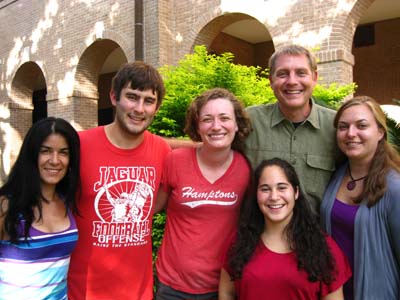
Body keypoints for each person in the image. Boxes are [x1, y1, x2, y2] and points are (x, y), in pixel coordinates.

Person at [67, 61, 170, 300]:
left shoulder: (162, 151)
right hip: (84, 291)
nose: (139, 109)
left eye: (149, 101)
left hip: (138, 292)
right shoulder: (79, 145)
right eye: (132, 97)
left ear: (157, 107)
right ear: (114, 97)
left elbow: (157, 202)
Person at [154, 88, 251, 299]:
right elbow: (152, 209)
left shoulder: (246, 168)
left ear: (236, 124)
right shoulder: (176, 161)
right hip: (172, 286)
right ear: (198, 126)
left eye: (224, 118)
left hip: (223, 286)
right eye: (207, 119)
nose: (216, 126)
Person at [219, 158, 351, 300]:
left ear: (296, 192)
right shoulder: (239, 243)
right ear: (256, 195)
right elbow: (227, 293)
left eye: (282, 187)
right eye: (265, 189)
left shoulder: (324, 249)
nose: (274, 197)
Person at [245, 44, 343, 213]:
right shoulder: (250, 121)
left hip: (316, 235)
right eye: (283, 74)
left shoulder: (336, 126)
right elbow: (210, 148)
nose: (292, 81)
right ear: (271, 81)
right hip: (259, 234)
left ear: (314, 77)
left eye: (301, 73)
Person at [320, 96, 400, 300]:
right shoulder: (336, 175)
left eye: (361, 125)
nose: (351, 134)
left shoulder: (394, 188)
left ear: (380, 132)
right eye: (343, 127)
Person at [0, 117, 80, 299]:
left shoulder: (67, 202)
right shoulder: (6, 204)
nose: (55, 160)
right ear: (32, 155)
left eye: (64, 152)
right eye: (46, 151)